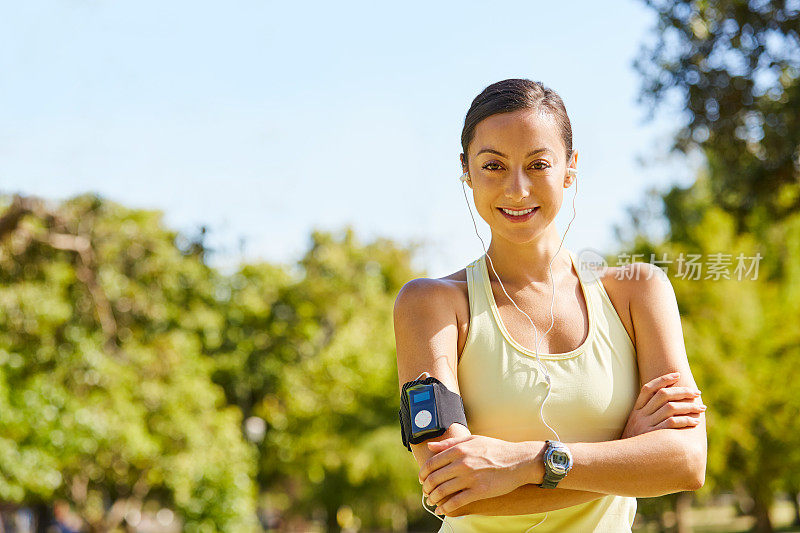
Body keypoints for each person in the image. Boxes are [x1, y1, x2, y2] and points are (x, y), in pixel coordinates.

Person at [393, 78, 708, 532]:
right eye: (493, 166)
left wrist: (528, 462)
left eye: (538, 164)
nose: (517, 189)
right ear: (466, 170)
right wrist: (628, 452)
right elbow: (453, 494)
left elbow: (687, 462)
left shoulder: (639, 292)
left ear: (570, 167)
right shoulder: (430, 305)